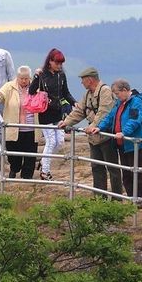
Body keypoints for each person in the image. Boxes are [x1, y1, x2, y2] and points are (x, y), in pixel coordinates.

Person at [86, 79, 142, 207]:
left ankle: (140, 200)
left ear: (125, 90)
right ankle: (131, 198)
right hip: (123, 144)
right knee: (126, 173)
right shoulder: (119, 104)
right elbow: (110, 117)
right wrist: (100, 127)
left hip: (134, 144)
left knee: (136, 172)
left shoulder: (136, 102)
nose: (117, 96)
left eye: (117, 93)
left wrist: (124, 132)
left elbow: (135, 119)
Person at [59, 67, 119, 197]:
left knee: (112, 168)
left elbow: (104, 112)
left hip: (106, 136)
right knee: (96, 167)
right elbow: (80, 110)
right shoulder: (88, 94)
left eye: (83, 80)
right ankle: (99, 198)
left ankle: (117, 198)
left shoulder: (105, 91)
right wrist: (67, 122)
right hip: (93, 137)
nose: (82, 83)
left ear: (90, 80)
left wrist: (93, 126)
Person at [29, 48, 76, 181]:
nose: (59, 66)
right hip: (45, 112)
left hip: (58, 112)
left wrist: (74, 103)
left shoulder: (61, 75)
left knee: (59, 142)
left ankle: (44, 162)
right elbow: (32, 91)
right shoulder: (42, 75)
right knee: (51, 141)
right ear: (50, 61)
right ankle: (45, 172)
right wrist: (36, 77)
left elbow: (65, 92)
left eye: (61, 63)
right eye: (57, 63)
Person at [0, 66, 38, 179]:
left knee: (30, 156)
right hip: (14, 127)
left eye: (26, 78)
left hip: (31, 127)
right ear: (17, 77)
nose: (24, 81)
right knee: (13, 154)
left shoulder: (36, 87)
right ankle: (14, 168)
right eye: (22, 78)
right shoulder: (10, 86)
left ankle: (27, 179)